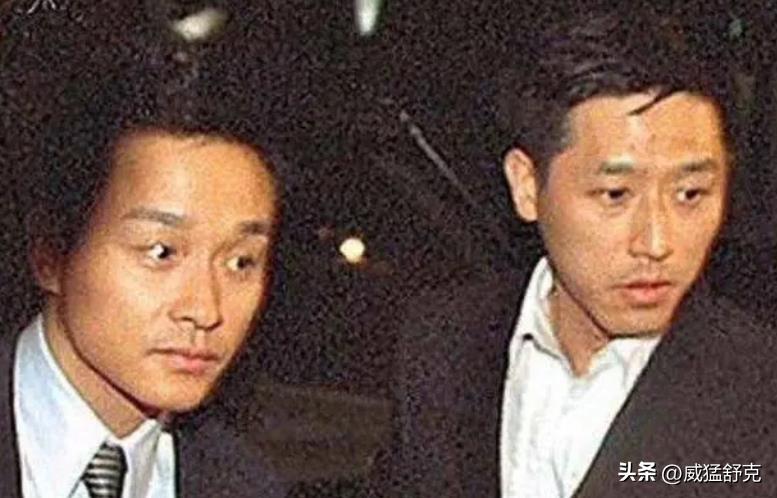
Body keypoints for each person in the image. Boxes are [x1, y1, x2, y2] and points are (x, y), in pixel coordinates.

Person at [387, 9, 777, 498]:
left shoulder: (760, 392)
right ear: (526, 186)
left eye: (690, 194)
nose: (657, 243)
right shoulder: (443, 343)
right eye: (615, 195)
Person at [0, 4, 381, 497]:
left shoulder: (245, 486)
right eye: (162, 252)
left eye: (241, 262)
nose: (205, 309)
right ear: (51, 253)